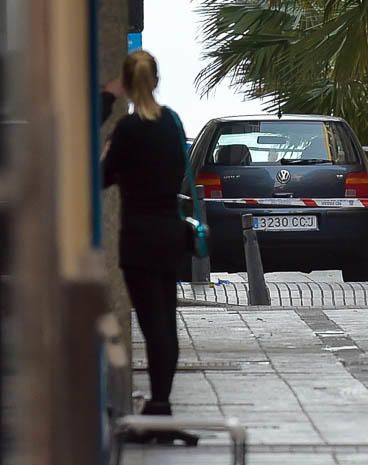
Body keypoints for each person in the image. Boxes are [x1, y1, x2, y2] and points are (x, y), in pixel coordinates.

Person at [102, 50, 196, 445]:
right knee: (167, 323)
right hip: (169, 233)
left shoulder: (126, 129)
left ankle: (159, 410)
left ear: (125, 83)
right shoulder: (172, 122)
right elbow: (179, 174)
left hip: (138, 235)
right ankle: (161, 405)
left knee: (152, 323)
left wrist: (106, 103)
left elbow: (101, 178)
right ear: (155, 80)